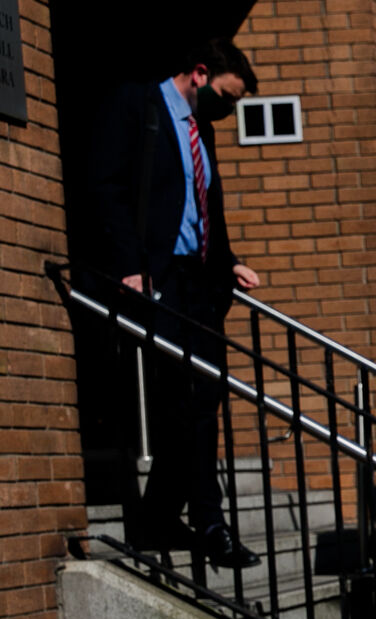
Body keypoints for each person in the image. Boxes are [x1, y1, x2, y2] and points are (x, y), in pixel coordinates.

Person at [84, 39, 262, 568]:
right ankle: (208, 521)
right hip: (153, 277)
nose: (227, 113)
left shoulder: (199, 129)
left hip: (198, 283)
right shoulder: (138, 106)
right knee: (182, 402)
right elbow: (106, 186)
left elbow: (206, 204)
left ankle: (161, 511)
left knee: (202, 398)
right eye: (227, 99)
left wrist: (227, 260)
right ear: (201, 74)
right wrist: (127, 265)